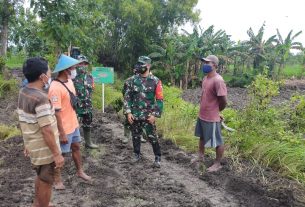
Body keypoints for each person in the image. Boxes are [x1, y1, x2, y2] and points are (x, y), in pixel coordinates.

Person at [17, 57, 64, 207]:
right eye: (49, 71)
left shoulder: (24, 92)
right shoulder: (41, 98)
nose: (50, 74)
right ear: (42, 76)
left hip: (34, 147)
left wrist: (27, 143)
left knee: (40, 175)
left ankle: (37, 203)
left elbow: (25, 120)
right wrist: (57, 154)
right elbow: (46, 130)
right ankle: (42, 204)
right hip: (45, 151)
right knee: (46, 180)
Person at [48, 54, 92, 190]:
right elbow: (56, 113)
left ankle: (80, 171)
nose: (75, 70)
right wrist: (61, 133)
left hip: (73, 124)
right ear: (65, 70)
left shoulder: (70, 82)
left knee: (76, 148)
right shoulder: (55, 88)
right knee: (61, 154)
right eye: (72, 68)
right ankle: (57, 179)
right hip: (63, 128)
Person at [123, 56, 164, 168]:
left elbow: (160, 100)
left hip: (148, 116)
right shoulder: (132, 80)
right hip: (135, 114)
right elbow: (127, 97)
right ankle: (136, 155)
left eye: (142, 64)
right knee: (135, 136)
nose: (140, 66)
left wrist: (154, 114)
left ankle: (157, 157)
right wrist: (128, 112)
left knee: (152, 137)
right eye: (139, 64)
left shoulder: (156, 81)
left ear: (148, 66)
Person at [193, 55, 227, 172]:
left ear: (215, 66)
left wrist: (217, 112)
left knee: (217, 141)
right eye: (204, 62)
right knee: (202, 137)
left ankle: (217, 163)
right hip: (202, 115)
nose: (205, 64)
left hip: (211, 117)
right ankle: (200, 156)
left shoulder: (218, 80)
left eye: (208, 63)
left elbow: (223, 101)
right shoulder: (206, 78)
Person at [73, 55, 98, 149]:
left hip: (87, 105)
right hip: (75, 106)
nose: (83, 65)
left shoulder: (90, 77)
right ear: (76, 64)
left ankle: (88, 143)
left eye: (84, 63)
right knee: (73, 126)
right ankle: (73, 145)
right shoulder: (72, 77)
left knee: (88, 123)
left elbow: (91, 90)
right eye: (80, 63)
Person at [121, 63, 147, 144]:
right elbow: (124, 92)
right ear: (133, 70)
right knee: (128, 121)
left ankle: (141, 136)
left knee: (141, 120)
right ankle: (126, 136)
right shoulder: (129, 80)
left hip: (141, 104)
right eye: (136, 70)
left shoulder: (145, 80)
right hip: (130, 104)